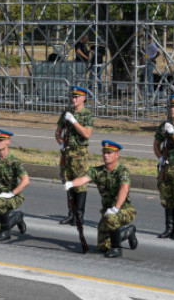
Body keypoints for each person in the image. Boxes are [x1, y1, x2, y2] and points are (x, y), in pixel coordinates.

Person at [65, 141, 136, 258]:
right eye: (104, 152)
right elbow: (83, 179)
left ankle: (117, 248)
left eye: (109, 152)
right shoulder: (97, 171)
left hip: (125, 209)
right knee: (103, 246)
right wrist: (71, 183)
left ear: (117, 155)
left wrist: (116, 208)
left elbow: (124, 188)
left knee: (112, 218)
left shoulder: (122, 171)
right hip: (107, 212)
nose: (105, 155)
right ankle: (128, 232)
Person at [56, 85, 94, 225]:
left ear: (83, 98)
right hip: (66, 153)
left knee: (80, 184)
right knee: (68, 182)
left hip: (79, 153)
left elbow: (86, 134)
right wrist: (61, 144)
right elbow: (57, 133)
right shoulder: (66, 112)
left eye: (76, 97)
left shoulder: (87, 114)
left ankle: (79, 215)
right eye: (72, 96)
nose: (74, 99)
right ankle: (71, 214)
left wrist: (74, 121)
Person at [0, 129, 30, 241]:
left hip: (14, 197)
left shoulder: (14, 161)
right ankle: (17, 218)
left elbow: (25, 180)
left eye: (1, 140)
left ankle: (7, 231)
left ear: (8, 141)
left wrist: (11, 193)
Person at [153, 95, 174, 240]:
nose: (172, 110)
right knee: (167, 198)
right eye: (171, 107)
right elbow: (156, 144)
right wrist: (160, 157)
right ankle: (169, 227)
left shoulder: (170, 128)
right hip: (166, 167)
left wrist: (173, 133)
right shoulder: (164, 125)